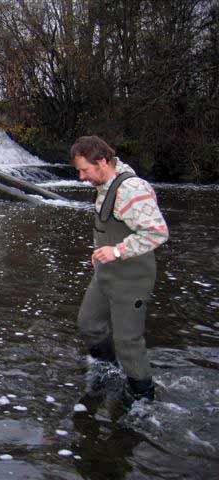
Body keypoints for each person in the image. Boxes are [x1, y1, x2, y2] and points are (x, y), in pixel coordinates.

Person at [70, 135, 169, 404]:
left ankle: (142, 399)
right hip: (106, 273)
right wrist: (101, 250)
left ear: (102, 161)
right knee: (89, 324)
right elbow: (113, 226)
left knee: (128, 342)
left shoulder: (132, 190)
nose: (81, 177)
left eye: (84, 170)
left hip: (132, 277)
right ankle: (109, 371)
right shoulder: (105, 184)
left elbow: (158, 232)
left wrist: (116, 251)